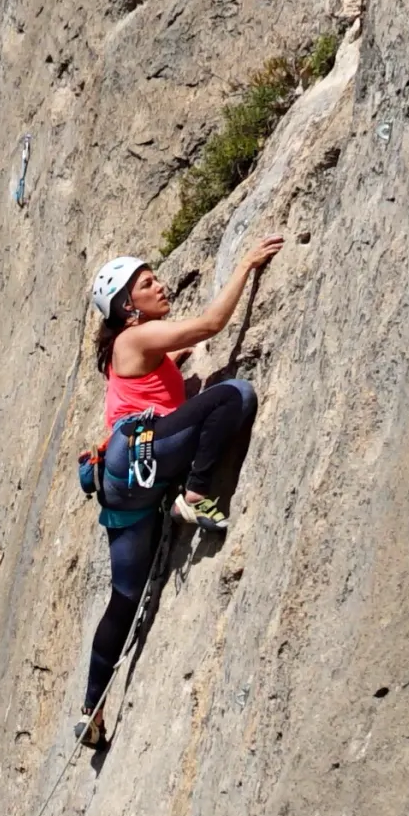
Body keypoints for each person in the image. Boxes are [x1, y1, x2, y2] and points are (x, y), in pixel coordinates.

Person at [78, 232, 283, 745]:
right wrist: (245, 266)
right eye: (148, 285)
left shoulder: (132, 347)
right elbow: (213, 323)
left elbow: (169, 359)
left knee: (125, 596)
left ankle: (90, 710)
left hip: (124, 485)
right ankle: (193, 496)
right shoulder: (136, 339)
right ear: (129, 308)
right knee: (234, 395)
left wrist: (180, 358)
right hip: (141, 456)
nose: (161, 285)